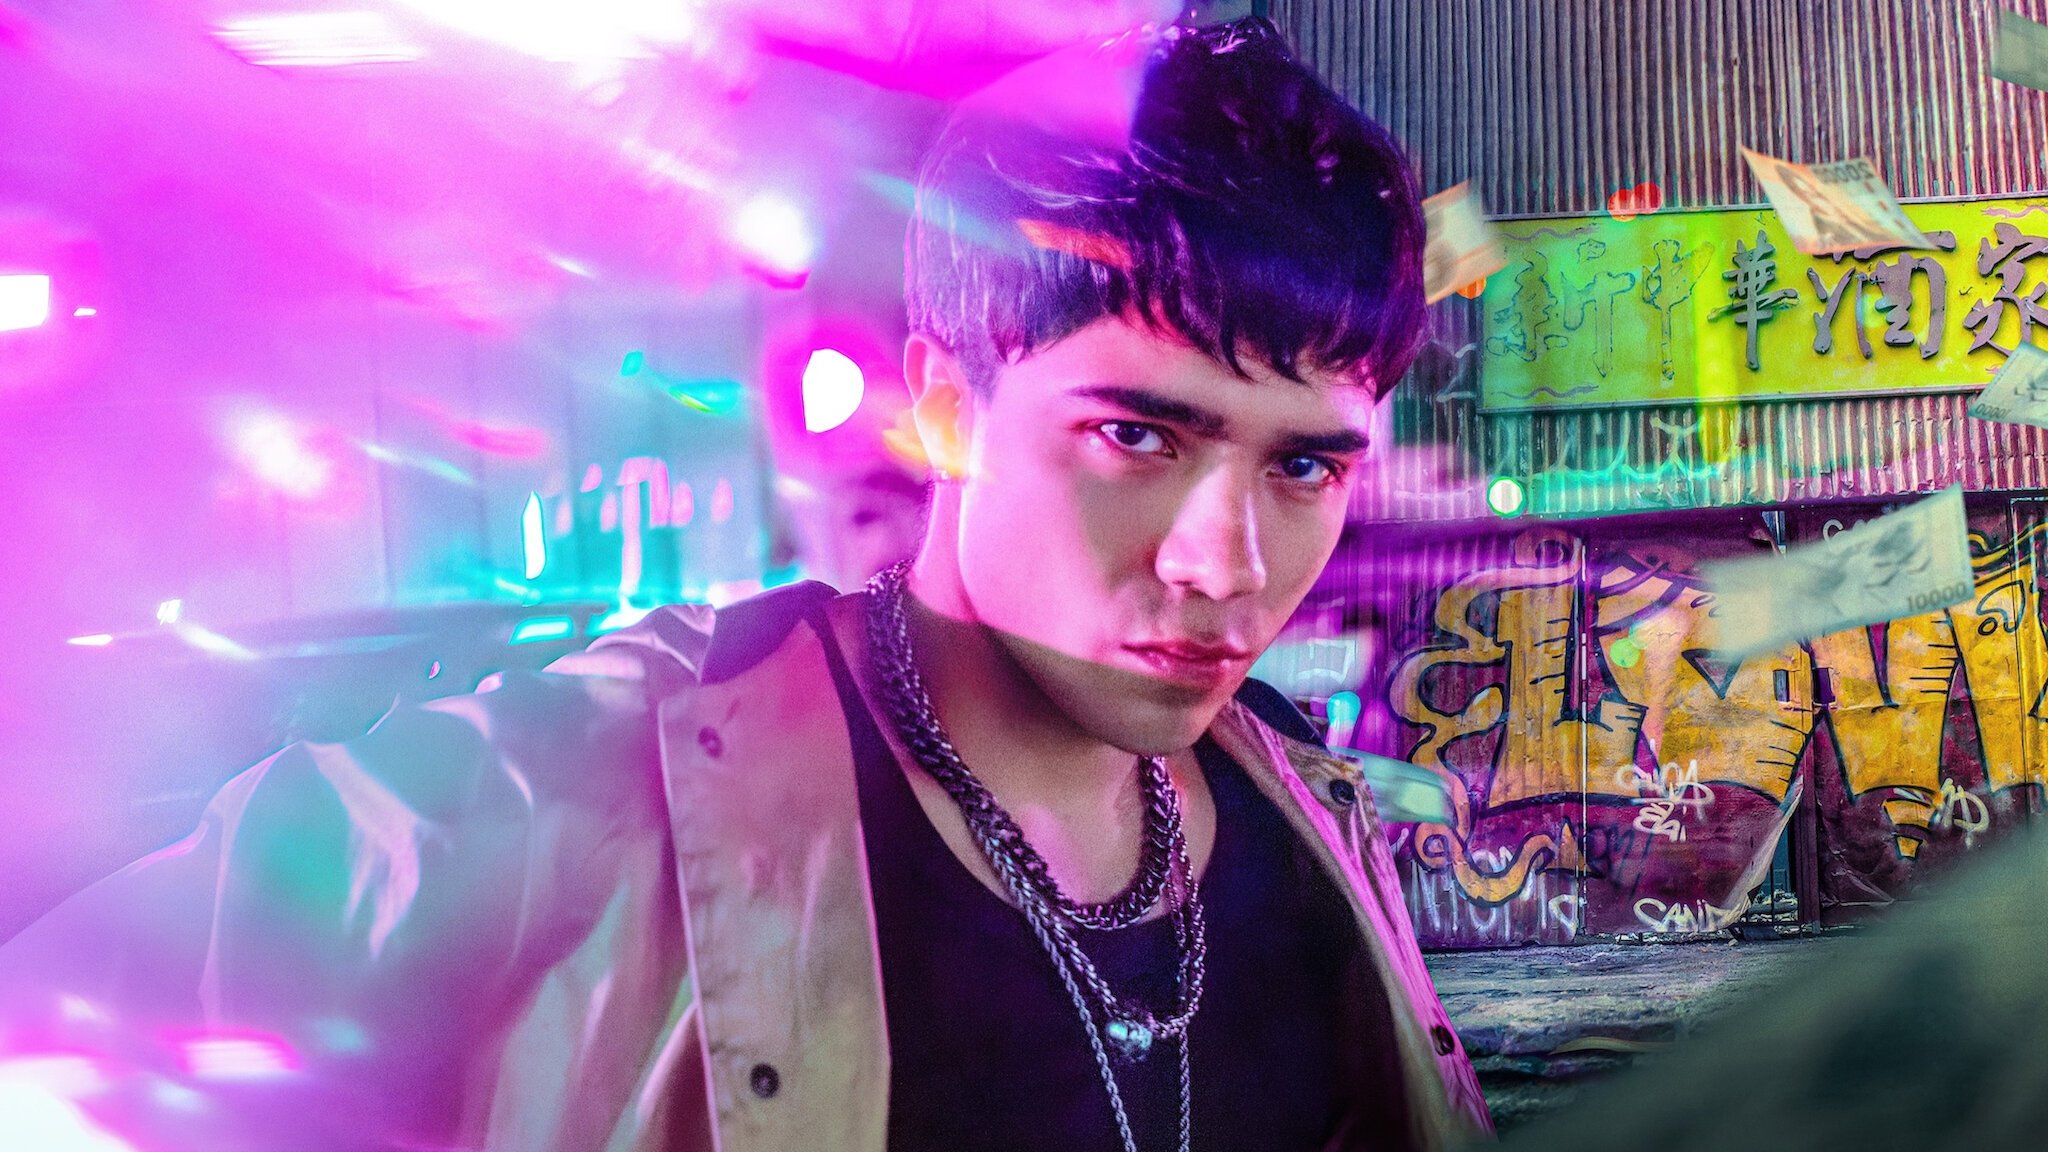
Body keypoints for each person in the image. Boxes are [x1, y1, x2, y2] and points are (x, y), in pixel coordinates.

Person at [0, 17, 1491, 1151]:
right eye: (1135, 437)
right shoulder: (585, 791)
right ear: (950, 408)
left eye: (1305, 467)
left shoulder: (1305, 814)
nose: (1224, 564)